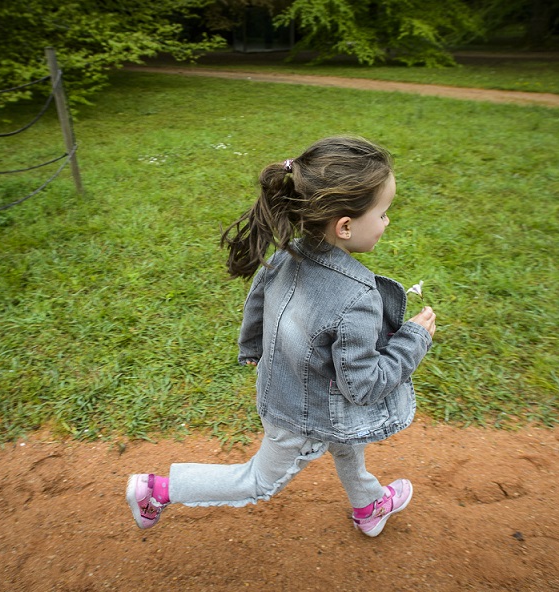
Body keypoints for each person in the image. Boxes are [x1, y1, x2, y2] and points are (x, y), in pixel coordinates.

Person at [126, 135, 436, 537]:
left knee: (346, 436)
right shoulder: (358, 298)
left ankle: (367, 504)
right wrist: (414, 339)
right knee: (257, 480)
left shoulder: (286, 253)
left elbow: (255, 304)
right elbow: (362, 386)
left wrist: (252, 350)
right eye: (382, 213)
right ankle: (157, 491)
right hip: (302, 415)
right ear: (344, 226)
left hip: (294, 391)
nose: (387, 221)